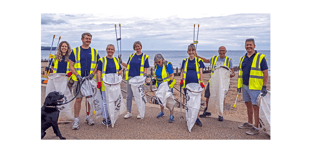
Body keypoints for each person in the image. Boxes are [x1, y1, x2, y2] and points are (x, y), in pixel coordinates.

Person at [69, 32, 100, 130]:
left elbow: (97, 64)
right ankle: (76, 119)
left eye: (90, 39)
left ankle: (88, 117)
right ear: (82, 39)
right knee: (78, 99)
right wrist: (77, 75)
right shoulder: (75, 51)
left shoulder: (95, 51)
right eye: (86, 38)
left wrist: (93, 74)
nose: (88, 40)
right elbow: (71, 65)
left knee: (89, 99)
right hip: (79, 80)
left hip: (89, 80)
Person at [237, 38, 268, 135]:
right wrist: (239, 86)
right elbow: (241, 72)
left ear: (254, 46)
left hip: (255, 87)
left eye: (250, 44)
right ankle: (250, 123)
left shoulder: (260, 57)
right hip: (245, 86)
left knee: (255, 106)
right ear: (245, 46)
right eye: (247, 45)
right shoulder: (243, 58)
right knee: (248, 105)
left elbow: (265, 72)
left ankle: (256, 126)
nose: (248, 46)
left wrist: (264, 86)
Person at [196, 46, 235, 121]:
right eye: (220, 50)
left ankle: (220, 114)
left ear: (226, 51)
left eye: (223, 51)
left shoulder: (229, 60)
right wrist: (197, 56)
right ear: (218, 51)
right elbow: (206, 60)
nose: (221, 52)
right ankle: (207, 111)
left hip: (222, 83)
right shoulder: (214, 58)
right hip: (212, 82)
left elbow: (232, 73)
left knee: (221, 97)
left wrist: (230, 75)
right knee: (207, 96)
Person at [119, 41, 150, 119]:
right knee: (129, 96)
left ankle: (141, 112)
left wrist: (145, 76)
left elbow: (145, 68)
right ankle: (129, 112)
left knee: (139, 96)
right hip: (130, 78)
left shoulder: (145, 56)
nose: (137, 48)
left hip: (139, 80)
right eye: (136, 46)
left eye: (138, 46)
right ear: (134, 48)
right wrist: (121, 62)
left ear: (141, 47)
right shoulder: (132, 55)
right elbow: (127, 66)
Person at [96, 44, 122, 126]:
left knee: (113, 101)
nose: (110, 50)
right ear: (106, 50)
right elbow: (99, 71)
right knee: (105, 102)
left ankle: (111, 116)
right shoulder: (102, 60)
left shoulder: (116, 60)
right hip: (105, 85)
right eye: (108, 49)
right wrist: (99, 82)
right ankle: (105, 118)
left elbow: (120, 70)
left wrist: (120, 73)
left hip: (114, 85)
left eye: (112, 49)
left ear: (114, 51)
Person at [180, 43, 205, 127]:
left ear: (195, 51)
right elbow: (182, 72)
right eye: (189, 50)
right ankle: (190, 117)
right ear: (187, 52)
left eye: (193, 50)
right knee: (189, 102)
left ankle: (197, 118)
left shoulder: (199, 61)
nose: (191, 52)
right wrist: (181, 81)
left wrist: (202, 82)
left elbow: (201, 72)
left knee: (197, 102)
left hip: (197, 85)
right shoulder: (185, 61)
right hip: (187, 85)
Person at [153, 53, 176, 123]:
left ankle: (171, 115)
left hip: (167, 86)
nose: (157, 63)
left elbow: (172, 75)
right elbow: (156, 75)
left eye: (158, 61)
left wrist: (169, 82)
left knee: (169, 100)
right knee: (160, 99)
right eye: (156, 62)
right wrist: (154, 80)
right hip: (159, 86)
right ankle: (162, 112)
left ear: (162, 60)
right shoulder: (156, 66)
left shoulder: (167, 65)